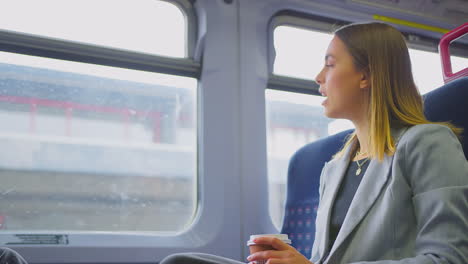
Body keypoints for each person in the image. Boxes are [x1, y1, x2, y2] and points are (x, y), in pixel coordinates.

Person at [160, 22, 468, 264]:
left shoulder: (428, 143)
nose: (318, 77)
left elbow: (450, 258)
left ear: (366, 75)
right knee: (182, 261)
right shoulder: (334, 167)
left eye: (330, 64)